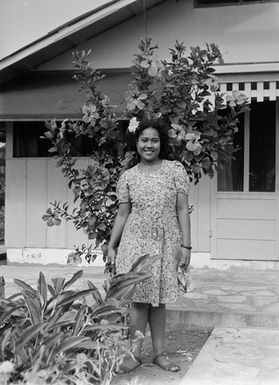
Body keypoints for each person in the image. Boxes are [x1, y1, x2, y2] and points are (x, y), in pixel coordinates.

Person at [107, 118, 191, 373]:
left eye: (154, 140)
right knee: (139, 300)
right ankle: (134, 355)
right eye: (144, 140)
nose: (149, 145)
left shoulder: (175, 170)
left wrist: (186, 246)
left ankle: (160, 354)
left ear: (161, 143)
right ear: (137, 142)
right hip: (136, 243)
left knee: (160, 300)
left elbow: (181, 210)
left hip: (166, 243)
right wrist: (112, 245)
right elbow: (123, 214)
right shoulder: (128, 176)